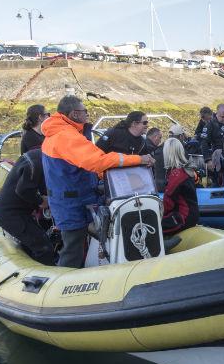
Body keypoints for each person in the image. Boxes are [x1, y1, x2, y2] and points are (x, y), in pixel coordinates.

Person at [42, 96, 155, 268]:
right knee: (73, 248)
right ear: (74, 114)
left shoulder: (63, 133)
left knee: (90, 237)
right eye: (84, 111)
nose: (87, 115)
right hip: (71, 203)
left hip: (78, 198)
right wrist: (138, 160)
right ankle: (65, 282)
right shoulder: (66, 136)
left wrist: (107, 178)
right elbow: (97, 161)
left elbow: (85, 165)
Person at [0, 149, 55, 265]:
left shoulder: (35, 157)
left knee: (33, 244)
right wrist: (41, 201)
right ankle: (43, 277)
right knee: (44, 247)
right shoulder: (36, 162)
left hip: (17, 211)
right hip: (10, 213)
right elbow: (23, 190)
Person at [161, 138, 199, 234]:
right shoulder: (187, 170)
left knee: (152, 227)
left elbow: (168, 202)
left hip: (182, 218)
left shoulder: (177, 174)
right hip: (192, 215)